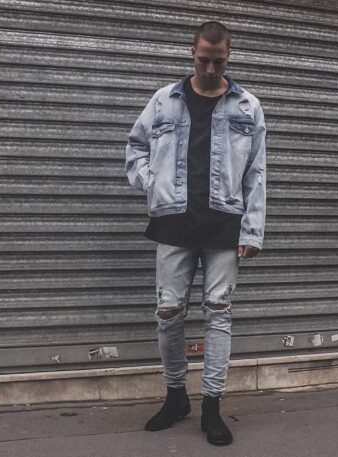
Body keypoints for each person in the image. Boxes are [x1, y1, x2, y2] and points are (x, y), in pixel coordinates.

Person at [125, 21, 266, 446]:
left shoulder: (247, 106)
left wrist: (252, 231)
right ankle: (175, 397)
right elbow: (135, 147)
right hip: (173, 221)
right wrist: (153, 183)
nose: (209, 68)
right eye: (203, 59)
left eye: (218, 61)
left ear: (229, 56)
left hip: (224, 224)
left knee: (218, 314)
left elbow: (257, 172)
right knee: (168, 313)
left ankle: (211, 406)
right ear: (192, 51)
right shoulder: (163, 100)